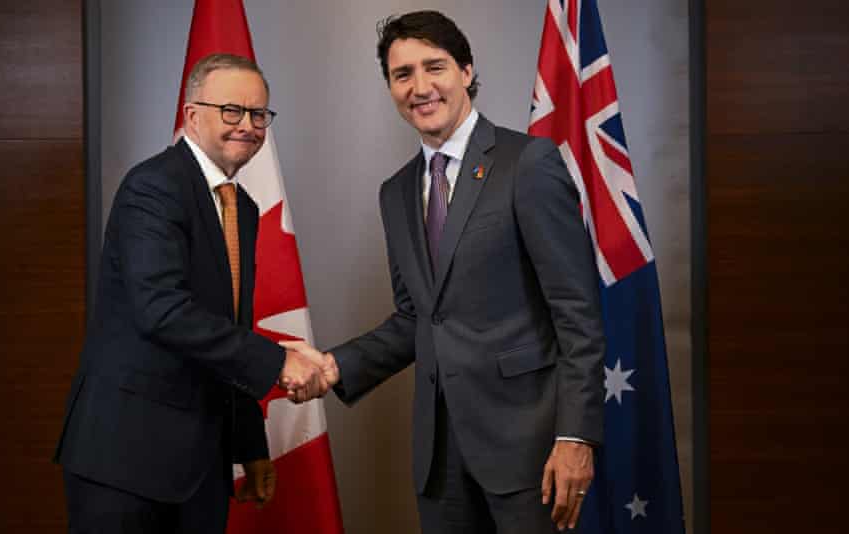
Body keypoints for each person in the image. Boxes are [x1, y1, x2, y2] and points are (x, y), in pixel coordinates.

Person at [284, 11, 605, 533]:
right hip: (440, 458)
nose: (420, 87)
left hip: (530, 450)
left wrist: (576, 438)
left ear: (466, 70)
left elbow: (577, 312)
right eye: (402, 74)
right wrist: (333, 367)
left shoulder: (527, 164)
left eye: (434, 67)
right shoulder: (396, 192)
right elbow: (418, 318)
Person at [54, 53, 327, 533]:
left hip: (201, 466)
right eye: (231, 111)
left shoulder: (241, 206)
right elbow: (162, 310)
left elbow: (229, 329)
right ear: (192, 115)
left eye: (258, 114)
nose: (247, 125)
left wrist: (250, 446)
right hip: (124, 462)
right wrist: (279, 362)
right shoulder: (153, 186)